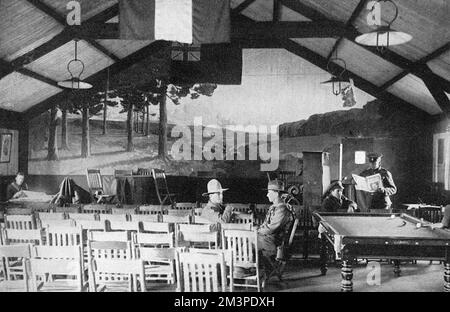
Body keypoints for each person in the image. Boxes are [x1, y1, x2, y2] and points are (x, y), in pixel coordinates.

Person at [257, 179, 295, 285]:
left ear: (276, 193)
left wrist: (257, 230)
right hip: (268, 239)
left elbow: (271, 228)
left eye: (269, 192)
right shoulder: (275, 207)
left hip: (274, 243)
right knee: (247, 241)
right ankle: (248, 269)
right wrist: (258, 229)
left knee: (247, 242)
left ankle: (243, 270)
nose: (267, 195)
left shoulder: (282, 210)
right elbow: (266, 225)